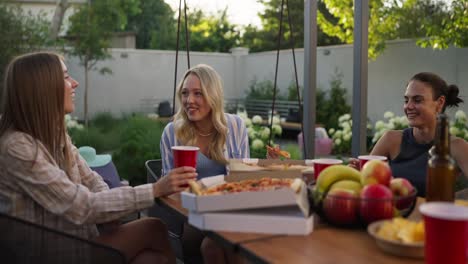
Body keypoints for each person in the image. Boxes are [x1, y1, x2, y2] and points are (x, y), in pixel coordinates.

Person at [0, 52, 194, 264]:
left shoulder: (55, 135)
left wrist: (109, 216)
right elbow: (82, 206)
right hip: (52, 253)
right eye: (65, 77)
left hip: (80, 239)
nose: (74, 83)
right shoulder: (18, 148)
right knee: (153, 228)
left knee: (151, 259)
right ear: (43, 88)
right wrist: (156, 189)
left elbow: (92, 180)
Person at [159, 64, 249, 263]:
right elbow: (168, 190)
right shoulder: (173, 133)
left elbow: (242, 179)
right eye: (184, 93)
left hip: (230, 211)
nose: (189, 100)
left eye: (198, 93)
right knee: (213, 247)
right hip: (192, 215)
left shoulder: (235, 126)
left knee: (218, 246)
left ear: (213, 96)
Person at [349, 72, 468, 197]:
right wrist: (358, 174)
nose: (408, 106)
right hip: (390, 214)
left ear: (440, 103)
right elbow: (368, 183)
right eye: (406, 100)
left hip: (428, 215)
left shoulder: (456, 147)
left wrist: (443, 200)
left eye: (417, 100)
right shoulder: (391, 140)